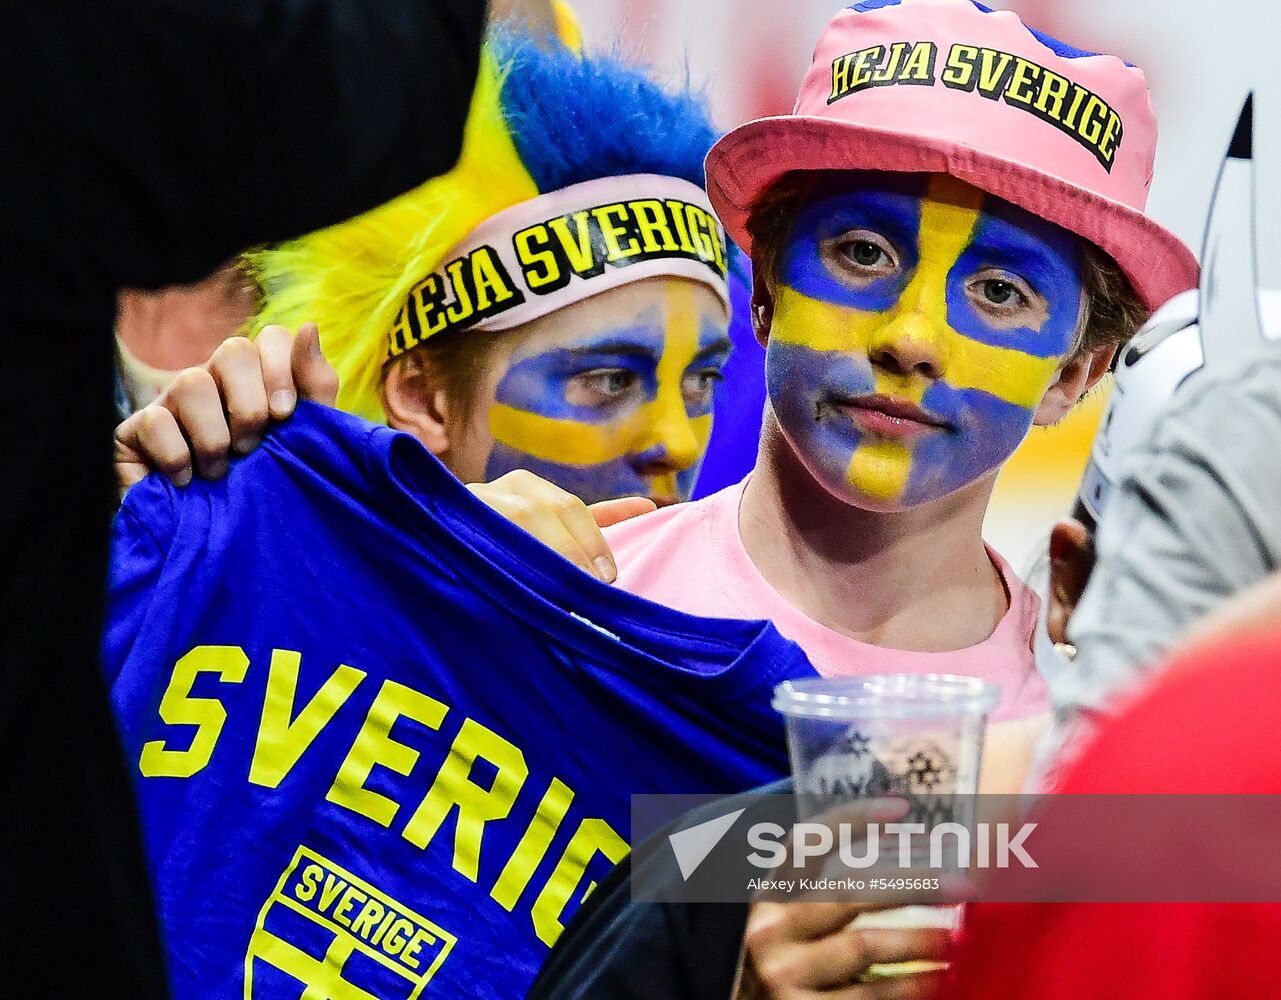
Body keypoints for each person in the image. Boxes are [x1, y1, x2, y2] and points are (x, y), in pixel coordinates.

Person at [2, 1, 484, 993]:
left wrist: (736, 928)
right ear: (421, 391)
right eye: (603, 375)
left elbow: (851, 869)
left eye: (705, 375)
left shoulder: (716, 638)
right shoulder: (282, 558)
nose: (669, 437)